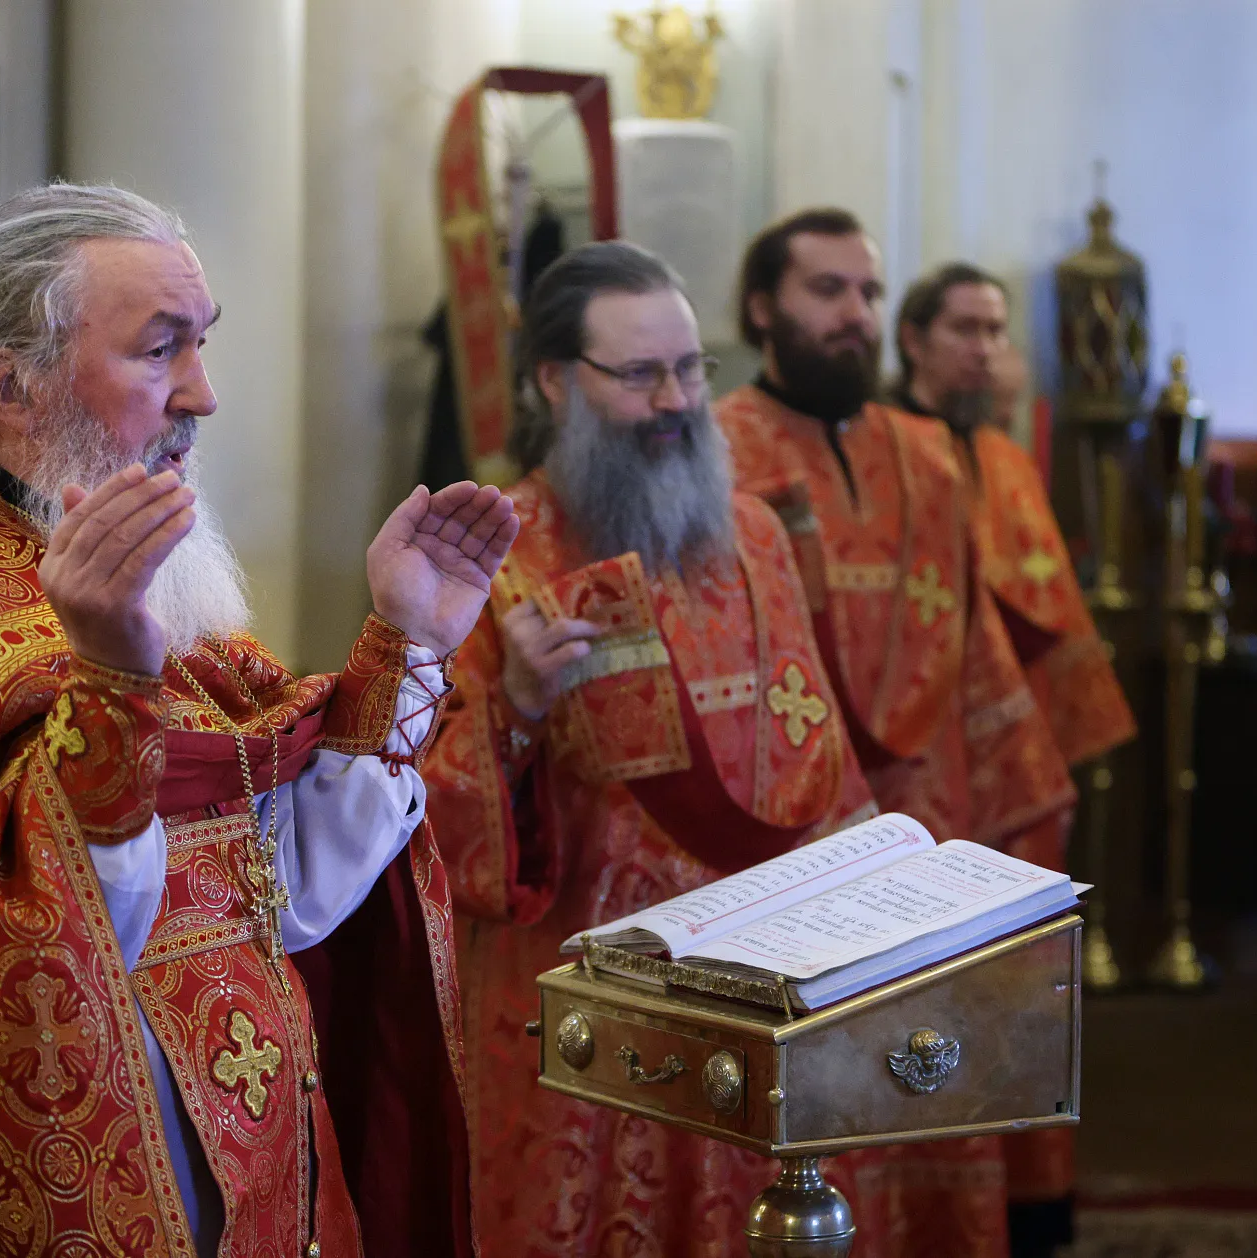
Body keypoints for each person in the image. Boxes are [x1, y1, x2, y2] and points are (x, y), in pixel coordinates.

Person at [0, 182, 519, 1256]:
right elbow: (21, 987)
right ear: (16, 388)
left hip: (263, 1181)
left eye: (202, 346)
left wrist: (412, 639)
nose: (203, 395)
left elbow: (283, 900)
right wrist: (109, 692)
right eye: (161, 351)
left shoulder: (174, 609)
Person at [422, 241, 876, 1257]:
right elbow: (430, 835)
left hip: (760, 993)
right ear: (553, 381)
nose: (675, 399)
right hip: (585, 1022)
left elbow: (818, 762)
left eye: (688, 368)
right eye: (638, 374)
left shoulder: (753, 532)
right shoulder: (485, 555)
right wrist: (520, 709)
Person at [714, 210, 1076, 1258]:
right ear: (762, 306)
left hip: (935, 826)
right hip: (794, 832)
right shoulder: (720, 445)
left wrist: (1025, 788)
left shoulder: (928, 455)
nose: (854, 314)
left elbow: (972, 648)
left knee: (937, 1065)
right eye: (827, 290)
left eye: (867, 292)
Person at [888, 262, 1137, 1254]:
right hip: (914, 776)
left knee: (1023, 999)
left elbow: (1045, 610)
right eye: (963, 326)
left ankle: (1027, 1207)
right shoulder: (885, 452)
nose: (984, 346)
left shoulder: (1008, 457)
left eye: (996, 328)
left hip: (1014, 771)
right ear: (913, 340)